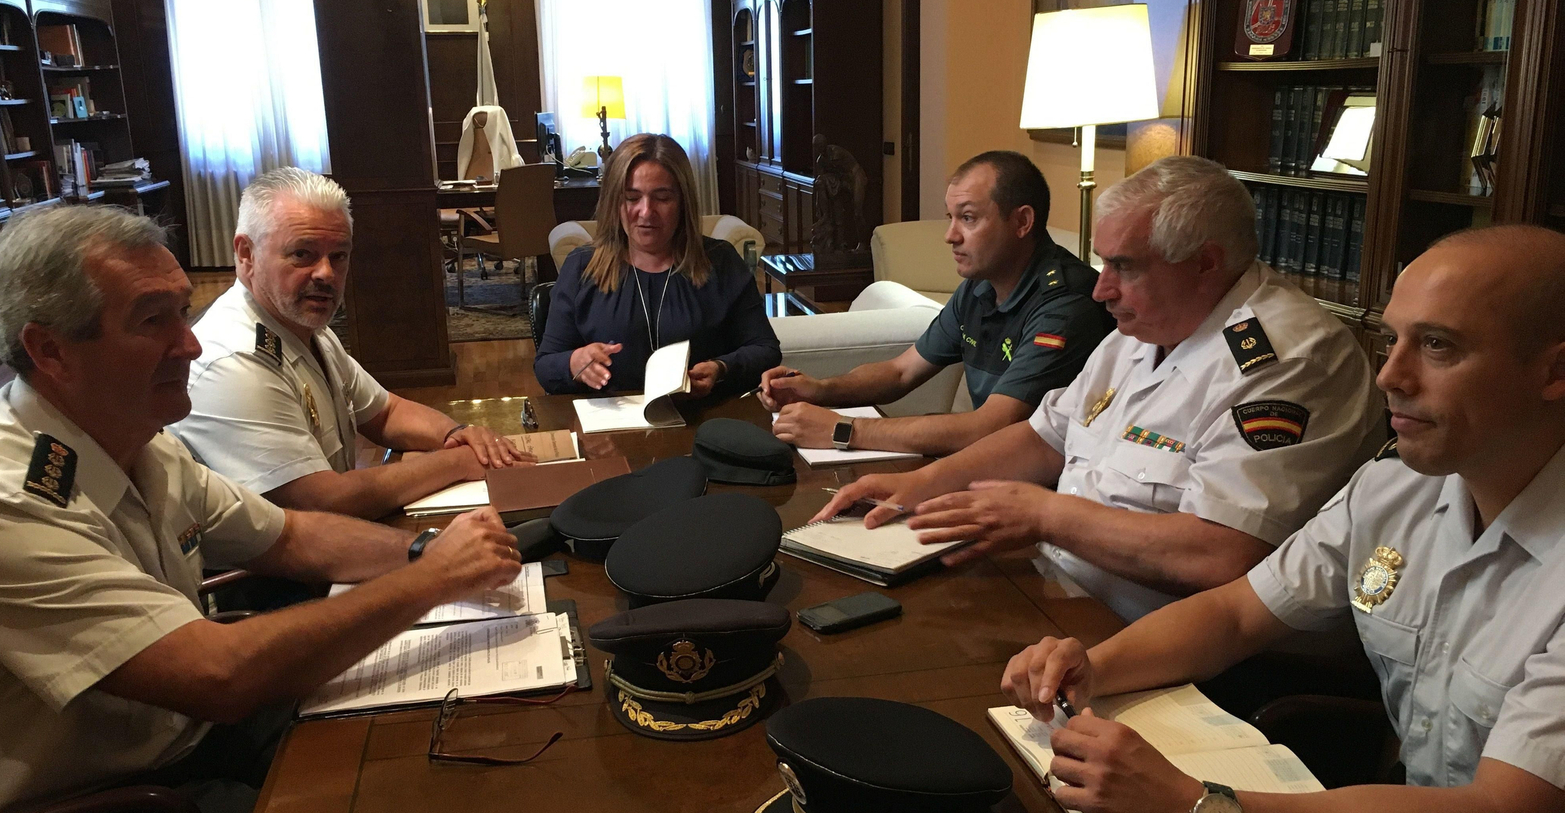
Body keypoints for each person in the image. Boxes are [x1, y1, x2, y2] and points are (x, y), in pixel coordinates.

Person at [999, 225, 1565, 813]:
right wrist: (1094, 664)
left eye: (1437, 347)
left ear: (1554, 370)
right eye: (1391, 340)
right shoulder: (1397, 486)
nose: (1390, 377)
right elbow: (1235, 613)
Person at [0, 205, 522, 813]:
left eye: (182, 309)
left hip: (184, 743)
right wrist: (432, 578)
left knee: (426, 763)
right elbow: (216, 677)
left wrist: (431, 551)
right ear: (51, 350)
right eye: (154, 320)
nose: (191, 343)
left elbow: (289, 537)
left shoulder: (136, 436)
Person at [819, 156, 1382, 622]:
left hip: (1161, 639)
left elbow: (1222, 553)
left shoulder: (1285, 362)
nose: (1101, 290)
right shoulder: (1143, 327)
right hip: (1052, 590)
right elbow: (1044, 437)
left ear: (1206, 263)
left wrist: (1045, 516)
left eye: (1124, 266)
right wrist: (915, 485)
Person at [173, 167, 533, 521]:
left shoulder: (303, 325)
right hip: (270, 575)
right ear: (246, 253)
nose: (326, 274)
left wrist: (458, 435)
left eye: (339, 256)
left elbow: (385, 412)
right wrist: (458, 460)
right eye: (303, 254)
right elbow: (324, 501)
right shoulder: (234, 361)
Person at [764, 151, 1112, 456]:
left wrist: (842, 430)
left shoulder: (1064, 305)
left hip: (1047, 484)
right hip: (986, 467)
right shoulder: (979, 286)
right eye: (951, 218)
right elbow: (901, 371)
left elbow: (991, 426)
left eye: (969, 218)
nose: (950, 236)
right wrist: (819, 390)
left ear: (1022, 221)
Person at [533, 133, 781, 396]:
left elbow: (765, 350)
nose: (646, 211)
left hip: (704, 421)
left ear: (683, 202)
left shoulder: (721, 261)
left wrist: (721, 367)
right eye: (631, 197)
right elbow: (546, 366)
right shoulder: (582, 266)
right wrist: (574, 362)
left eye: (662, 198)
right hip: (609, 424)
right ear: (614, 202)